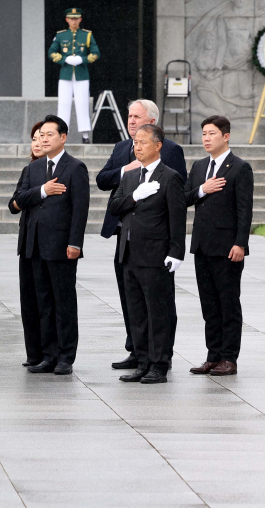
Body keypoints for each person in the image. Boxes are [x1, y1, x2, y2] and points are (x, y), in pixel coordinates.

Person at [97, 99, 186, 370]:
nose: (131, 121)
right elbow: (103, 181)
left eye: (137, 116)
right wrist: (127, 171)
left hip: (155, 237)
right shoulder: (122, 148)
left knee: (158, 303)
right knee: (131, 298)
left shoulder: (170, 151)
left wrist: (175, 248)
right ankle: (138, 351)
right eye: (129, 116)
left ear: (152, 122)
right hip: (125, 235)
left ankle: (161, 356)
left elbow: (177, 198)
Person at [14, 115, 90, 375]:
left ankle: (66, 357)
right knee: (43, 302)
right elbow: (20, 198)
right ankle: (48, 355)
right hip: (34, 245)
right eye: (41, 135)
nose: (44, 139)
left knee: (64, 302)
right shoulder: (34, 169)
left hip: (61, 245)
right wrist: (43, 190)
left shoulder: (75, 167)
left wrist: (75, 243)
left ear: (63, 137)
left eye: (49, 134)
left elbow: (80, 209)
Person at [185, 115, 252, 377]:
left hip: (227, 248)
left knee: (228, 303)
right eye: (203, 134)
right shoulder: (199, 166)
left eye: (211, 133)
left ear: (226, 136)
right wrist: (203, 188)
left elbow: (245, 210)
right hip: (202, 245)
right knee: (208, 304)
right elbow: (184, 197)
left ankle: (229, 358)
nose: (206, 138)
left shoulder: (240, 167)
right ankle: (212, 356)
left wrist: (241, 244)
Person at [8, 122, 46, 369]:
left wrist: (28, 197)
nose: (38, 142)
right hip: (28, 243)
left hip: (50, 243)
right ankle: (33, 353)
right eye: (34, 138)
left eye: (43, 137)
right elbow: (13, 205)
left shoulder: (60, 169)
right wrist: (40, 192)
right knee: (28, 301)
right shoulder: (29, 169)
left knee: (46, 301)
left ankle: (49, 352)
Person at [47, 7, 101, 143]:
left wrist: (83, 59)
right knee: (64, 104)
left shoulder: (87, 35)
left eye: (76, 18)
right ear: (67, 20)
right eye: (71, 18)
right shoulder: (60, 35)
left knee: (82, 103)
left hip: (82, 74)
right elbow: (51, 52)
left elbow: (96, 53)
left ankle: (85, 135)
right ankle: (61, 135)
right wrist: (64, 59)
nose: (74, 21)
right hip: (65, 74)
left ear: (80, 19)